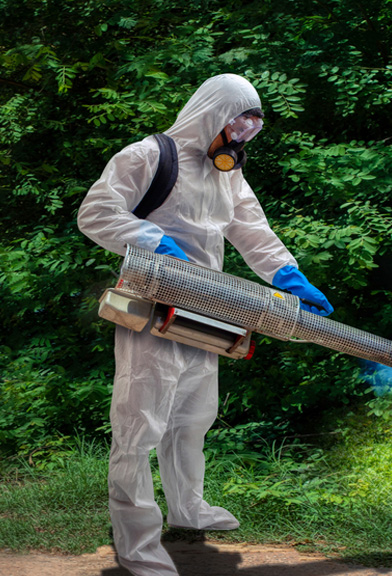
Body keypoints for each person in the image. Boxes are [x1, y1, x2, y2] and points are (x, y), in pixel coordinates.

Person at [77, 73, 334, 576]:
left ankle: (188, 508)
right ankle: (138, 544)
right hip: (151, 303)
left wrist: (288, 274)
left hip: (207, 306)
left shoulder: (226, 173)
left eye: (248, 133)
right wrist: (153, 241)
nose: (238, 142)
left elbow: (250, 227)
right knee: (139, 424)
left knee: (193, 416)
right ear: (212, 113)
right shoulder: (148, 156)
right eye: (235, 128)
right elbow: (96, 212)